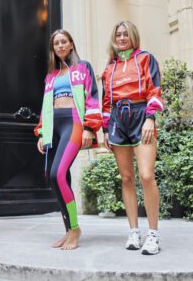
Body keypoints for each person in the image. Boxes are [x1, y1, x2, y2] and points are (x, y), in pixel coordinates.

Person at [34, 29, 102, 250]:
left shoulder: (83, 68)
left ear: (71, 44)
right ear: (53, 48)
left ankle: (75, 229)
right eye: (56, 43)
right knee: (53, 177)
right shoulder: (51, 76)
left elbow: (92, 97)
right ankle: (69, 230)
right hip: (53, 126)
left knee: (58, 173)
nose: (60, 46)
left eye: (64, 42)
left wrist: (89, 128)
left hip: (73, 123)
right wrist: (42, 133)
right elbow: (45, 107)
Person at [102, 21, 164, 255]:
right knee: (127, 178)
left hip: (141, 115)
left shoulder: (146, 58)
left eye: (126, 33)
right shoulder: (109, 68)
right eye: (118, 34)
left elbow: (155, 90)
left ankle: (153, 235)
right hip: (118, 119)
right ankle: (134, 232)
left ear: (133, 36)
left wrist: (151, 118)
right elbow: (106, 102)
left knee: (146, 175)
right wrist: (106, 130)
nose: (122, 37)